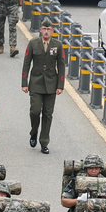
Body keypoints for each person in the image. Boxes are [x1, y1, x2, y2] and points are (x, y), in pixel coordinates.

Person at [20, 22, 65, 154]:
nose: (46, 31)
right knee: (35, 111)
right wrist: (24, 82)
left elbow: (61, 66)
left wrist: (60, 86)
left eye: (48, 29)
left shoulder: (57, 45)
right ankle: (34, 132)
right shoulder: (33, 43)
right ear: (40, 30)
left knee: (48, 114)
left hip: (51, 84)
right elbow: (26, 63)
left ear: (52, 31)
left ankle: (44, 142)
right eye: (44, 29)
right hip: (36, 82)